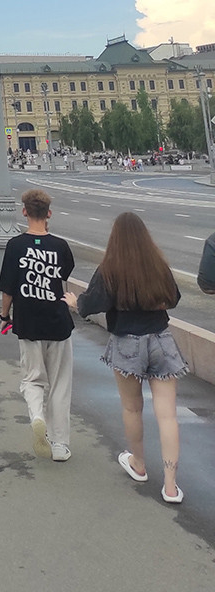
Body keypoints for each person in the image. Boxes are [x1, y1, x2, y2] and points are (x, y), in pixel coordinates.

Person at [64, 212, 188, 502]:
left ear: (115, 238)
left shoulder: (110, 267)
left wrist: (74, 302)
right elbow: (174, 298)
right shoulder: (157, 264)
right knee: (168, 415)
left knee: (132, 408)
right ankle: (171, 487)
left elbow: (91, 304)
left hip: (127, 343)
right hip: (161, 339)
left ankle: (139, 464)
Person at [0, 188, 75, 462]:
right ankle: (60, 445)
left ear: (24, 212)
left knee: (32, 379)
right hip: (58, 323)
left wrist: (5, 317)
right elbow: (64, 276)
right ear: (49, 214)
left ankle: (37, 417)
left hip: (27, 322)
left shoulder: (15, 246)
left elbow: (8, 289)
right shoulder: (61, 246)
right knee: (60, 384)